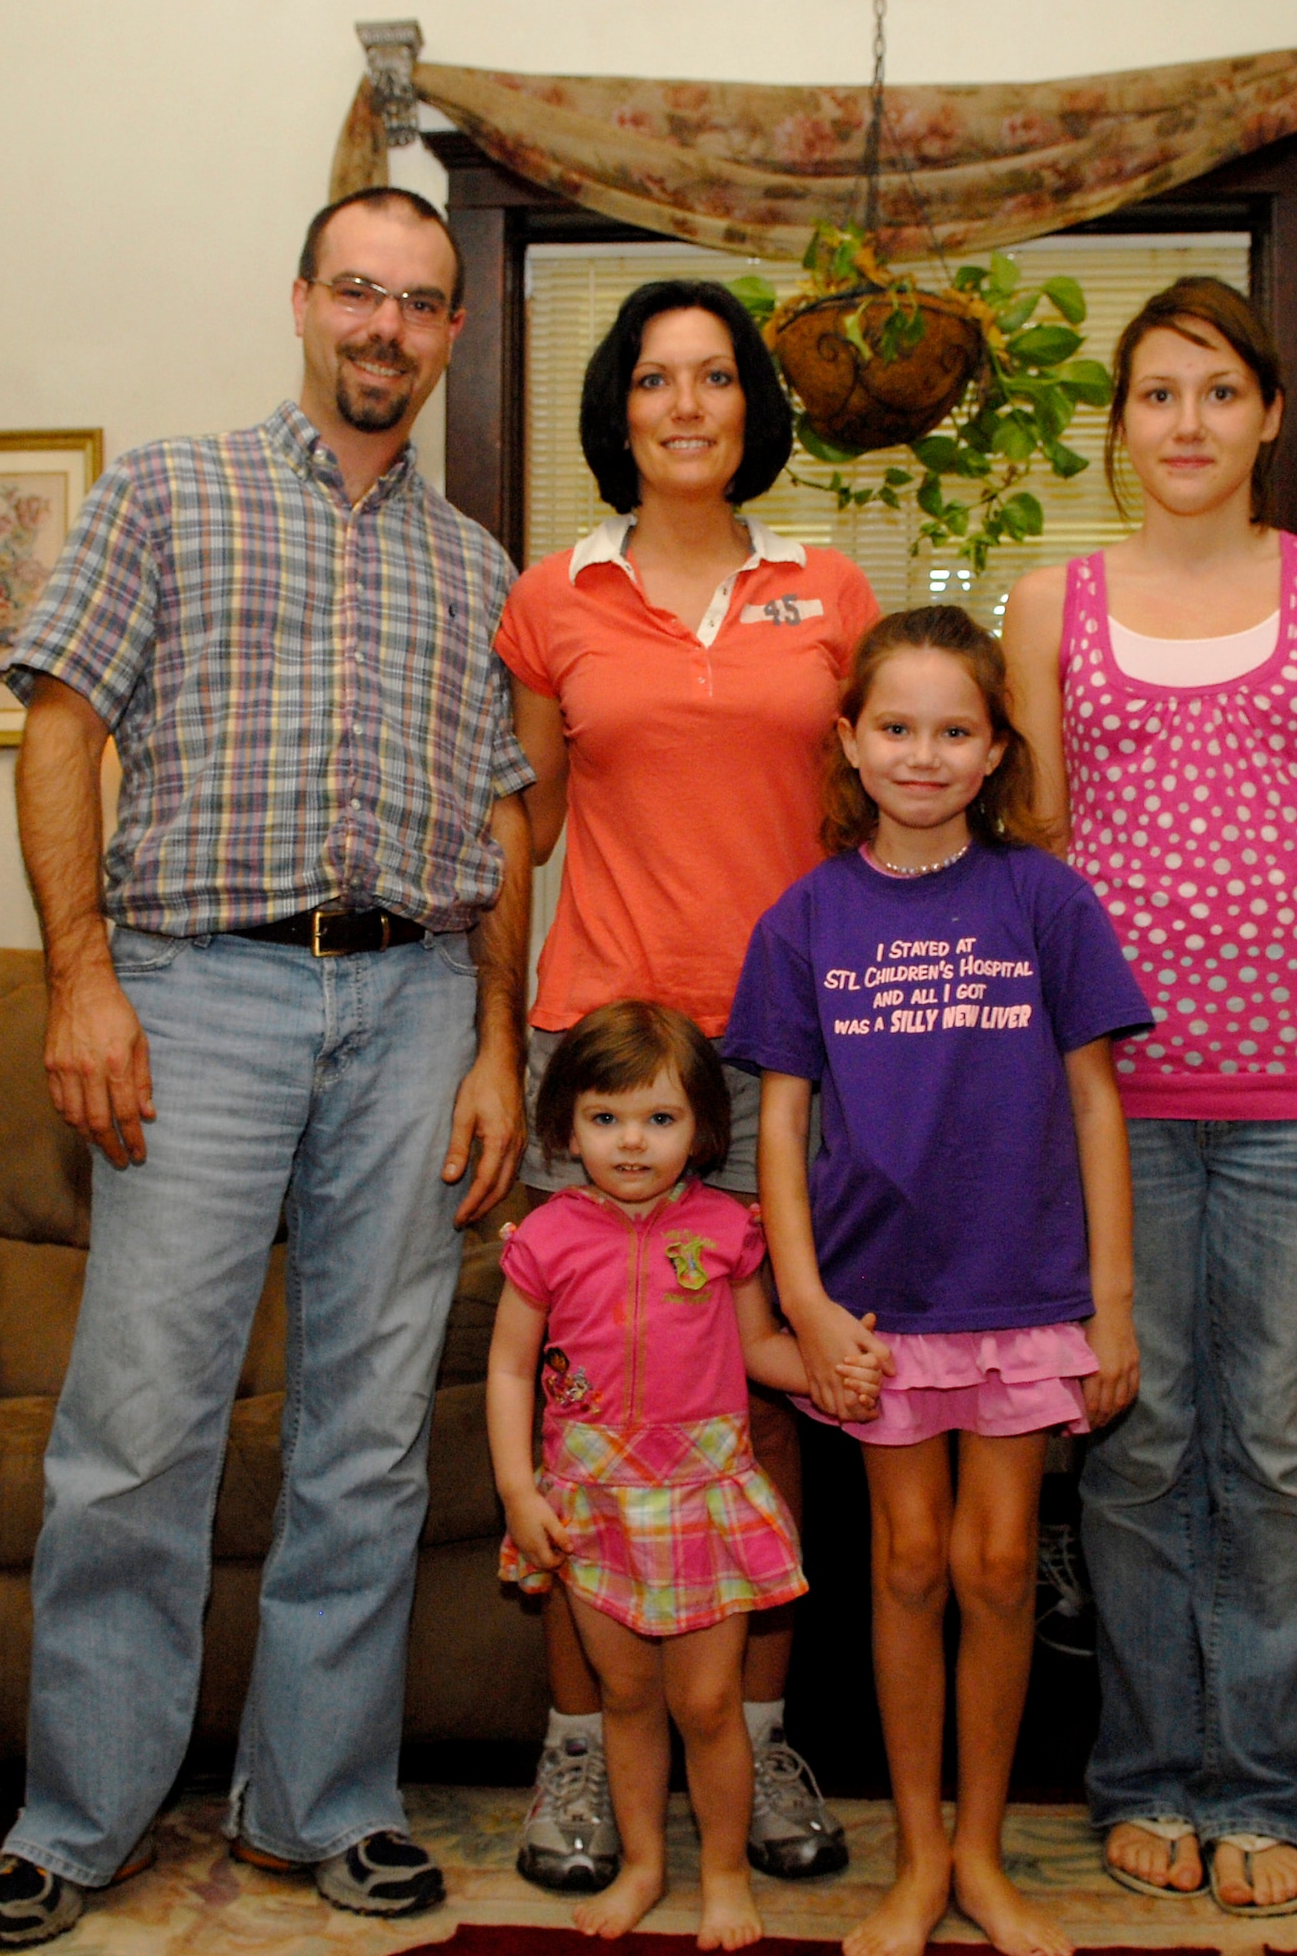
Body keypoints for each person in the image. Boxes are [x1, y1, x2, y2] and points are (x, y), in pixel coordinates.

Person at [0, 187, 534, 1949]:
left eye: (419, 303)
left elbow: (512, 825)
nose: (385, 326)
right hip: (194, 996)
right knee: (139, 1430)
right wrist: (81, 986)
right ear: (303, 302)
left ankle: (325, 1807)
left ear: (450, 336)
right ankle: (77, 1820)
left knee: (364, 1439)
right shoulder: (167, 493)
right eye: (358, 291)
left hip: (417, 1002)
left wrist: (500, 1036)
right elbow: (60, 727)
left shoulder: (479, 570)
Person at [1000, 278, 1297, 1920]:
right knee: (1133, 1446)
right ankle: (1145, 1776)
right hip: (1112, 1096)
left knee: (1266, 1456)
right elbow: (1031, 862)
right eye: (1157, 394)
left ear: (1268, 415)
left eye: (1217, 392)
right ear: (1122, 424)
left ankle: (1257, 1780)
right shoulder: (1056, 602)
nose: (1187, 423)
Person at [497, 279, 881, 1890]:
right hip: (603, 1057)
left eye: (715, 376)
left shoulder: (831, 589)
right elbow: (520, 829)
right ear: (619, 408)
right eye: (654, 379)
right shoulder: (553, 596)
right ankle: (582, 1766)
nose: (686, 404)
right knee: (595, 1414)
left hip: (788, 1063)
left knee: (761, 1410)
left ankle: (761, 1739)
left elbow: (888, 821)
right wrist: (486, 1036)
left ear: (750, 407)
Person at [725, 606, 1153, 1956]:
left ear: (994, 750)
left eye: (953, 730)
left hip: (1022, 1288)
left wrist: (1115, 1302)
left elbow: (1096, 1105)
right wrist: (800, 1297)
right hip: (877, 1303)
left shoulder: (1045, 899)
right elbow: (780, 1121)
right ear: (851, 741)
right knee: (907, 1562)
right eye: (896, 728)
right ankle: (915, 1857)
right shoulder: (804, 919)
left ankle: (983, 1853)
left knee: (1000, 1562)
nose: (923, 754)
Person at [487, 1002, 884, 1949]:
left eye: (660, 1120)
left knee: (708, 1705)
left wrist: (838, 1363)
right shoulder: (544, 1241)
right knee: (627, 1697)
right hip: (589, 1504)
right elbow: (509, 1368)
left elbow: (760, 1350)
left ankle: (719, 1875)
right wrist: (517, 1489)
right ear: (564, 1128)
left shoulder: (727, 1229)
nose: (632, 1143)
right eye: (606, 1118)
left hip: (705, 1498)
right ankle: (644, 1866)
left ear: (704, 1131)